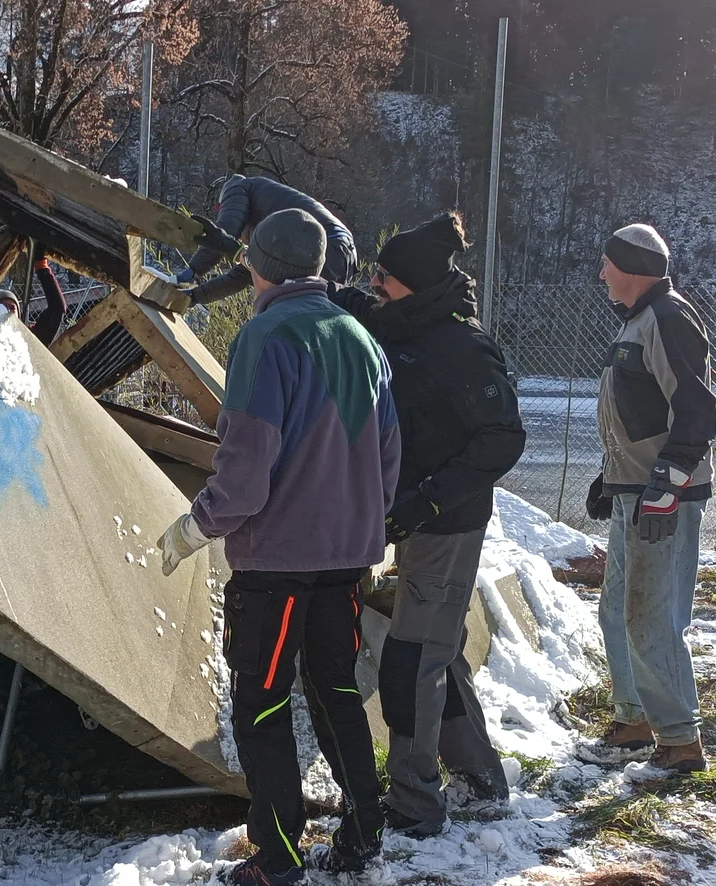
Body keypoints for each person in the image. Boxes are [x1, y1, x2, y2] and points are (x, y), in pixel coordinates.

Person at [156, 208, 398, 885]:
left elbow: (245, 471)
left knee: (261, 706)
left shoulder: (265, 337)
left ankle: (278, 861)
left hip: (276, 569)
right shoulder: (361, 337)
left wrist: (195, 525)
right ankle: (362, 838)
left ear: (258, 267)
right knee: (336, 694)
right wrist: (367, 535)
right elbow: (387, 459)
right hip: (345, 562)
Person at [329, 212, 524, 836]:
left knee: (410, 662)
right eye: (375, 274)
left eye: (386, 276)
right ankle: (479, 777)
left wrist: (429, 500)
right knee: (437, 654)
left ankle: (416, 804)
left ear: (415, 284)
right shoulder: (397, 320)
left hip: (447, 524)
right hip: (410, 519)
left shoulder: (462, 349)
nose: (375, 283)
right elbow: (351, 299)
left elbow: (503, 439)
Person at [585, 223, 716, 774]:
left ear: (633, 269)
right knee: (617, 610)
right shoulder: (641, 321)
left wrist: (669, 480)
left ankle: (680, 739)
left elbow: (695, 409)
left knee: (651, 616)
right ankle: (637, 716)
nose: (601, 274)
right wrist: (611, 477)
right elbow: (640, 414)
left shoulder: (667, 318)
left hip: (663, 497)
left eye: (608, 264)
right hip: (635, 489)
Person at [177, 175, 357, 307]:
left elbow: (224, 231)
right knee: (318, 315)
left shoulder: (238, 188)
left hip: (326, 245)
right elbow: (247, 274)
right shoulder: (271, 238)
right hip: (342, 250)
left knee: (298, 314)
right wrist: (195, 297)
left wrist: (191, 272)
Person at [0, 251, 70, 345]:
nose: (8, 311)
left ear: (18, 314)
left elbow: (57, 308)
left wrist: (42, 268)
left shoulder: (29, 339)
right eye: (3, 308)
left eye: (12, 308)